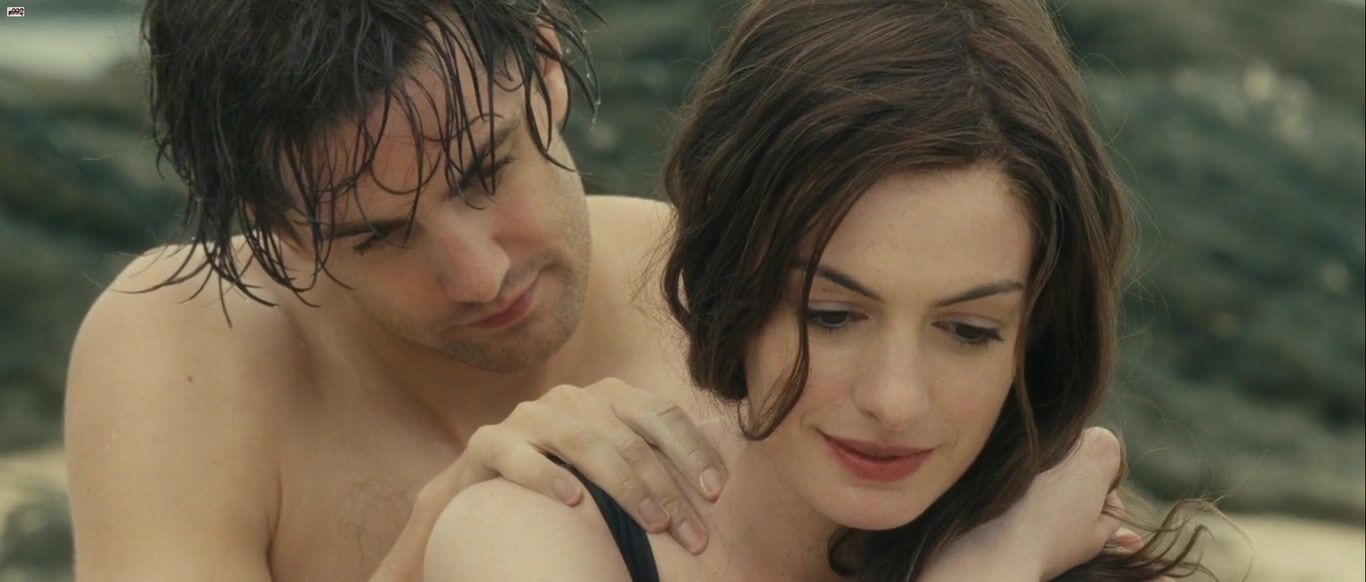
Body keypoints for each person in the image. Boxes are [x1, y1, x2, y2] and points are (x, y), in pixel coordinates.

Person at [66, 0, 1140, 580]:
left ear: (545, 59)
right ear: (271, 224)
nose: (481, 271)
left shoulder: (743, 299)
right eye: (378, 234)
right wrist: (434, 532)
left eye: (485, 171)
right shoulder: (189, 353)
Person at [424, 0, 1211, 580]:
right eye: (832, 316)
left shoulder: (1083, 562)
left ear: (1034, 336)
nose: (893, 400)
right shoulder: (540, 542)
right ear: (734, 285)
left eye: (969, 331)